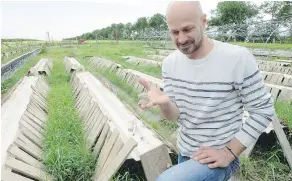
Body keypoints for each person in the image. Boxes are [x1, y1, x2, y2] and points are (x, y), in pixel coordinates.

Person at [137, 1, 276, 181]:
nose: (181, 39)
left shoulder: (236, 58)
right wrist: (165, 103)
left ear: (203, 22)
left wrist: (228, 153)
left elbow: (263, 110)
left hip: (218, 159)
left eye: (187, 29)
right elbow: (175, 116)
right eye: (174, 32)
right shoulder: (170, 64)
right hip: (185, 154)